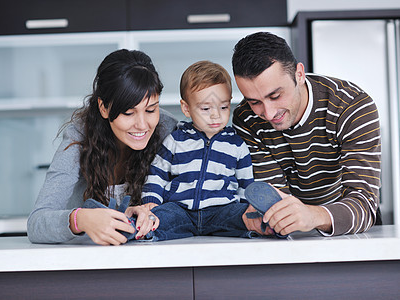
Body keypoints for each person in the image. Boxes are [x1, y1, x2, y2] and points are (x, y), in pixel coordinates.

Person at [232, 32, 381, 237]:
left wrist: (312, 215)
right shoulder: (246, 118)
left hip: (347, 226)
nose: (268, 113)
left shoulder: (352, 107)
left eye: (275, 96)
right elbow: (274, 196)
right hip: (292, 233)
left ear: (299, 74)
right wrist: (264, 212)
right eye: (254, 101)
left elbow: (365, 204)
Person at [27, 49, 178, 245]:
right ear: (104, 107)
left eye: (151, 109)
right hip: (88, 261)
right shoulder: (79, 136)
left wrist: (153, 213)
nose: (142, 124)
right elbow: (36, 223)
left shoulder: (168, 130)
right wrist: (80, 219)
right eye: (128, 113)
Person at [141, 60, 255, 241]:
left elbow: (246, 185)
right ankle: (138, 229)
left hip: (221, 210)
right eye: (205, 108)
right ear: (186, 108)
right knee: (157, 217)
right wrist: (151, 203)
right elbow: (157, 174)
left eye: (224, 107)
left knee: (245, 215)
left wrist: (249, 208)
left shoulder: (237, 145)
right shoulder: (175, 140)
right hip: (181, 210)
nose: (216, 115)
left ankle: (263, 227)